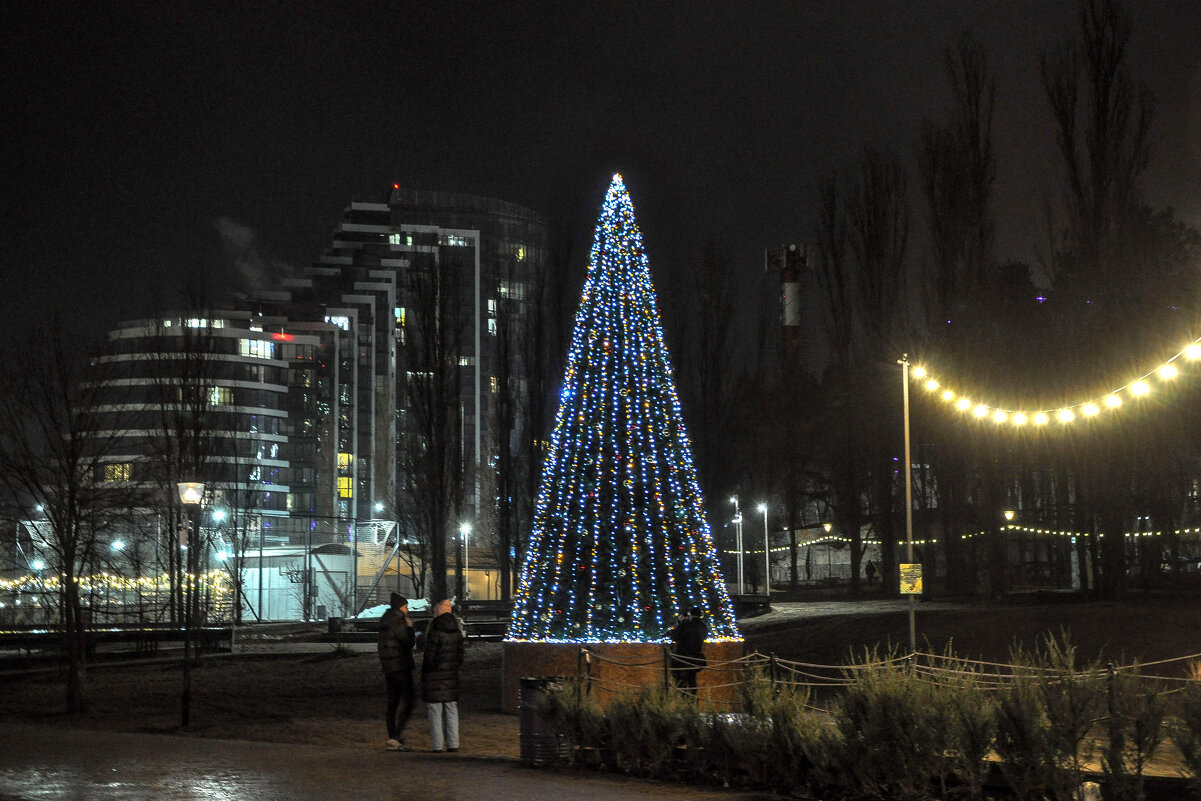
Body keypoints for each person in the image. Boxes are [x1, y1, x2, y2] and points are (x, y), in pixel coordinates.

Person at [422, 598, 465, 752]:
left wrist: (427, 671)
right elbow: (460, 654)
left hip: (434, 676)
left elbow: (429, 656)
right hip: (451, 675)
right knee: (451, 708)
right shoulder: (456, 628)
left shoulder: (435, 629)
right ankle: (453, 743)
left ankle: (437, 745)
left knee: (435, 710)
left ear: (438, 611)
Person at [378, 592, 416, 751]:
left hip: (389, 668)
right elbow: (408, 642)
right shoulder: (399, 621)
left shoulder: (385, 619)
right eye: (406, 607)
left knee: (392, 703)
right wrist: (411, 628)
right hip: (401, 666)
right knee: (410, 701)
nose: (407, 610)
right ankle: (396, 736)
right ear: (400, 607)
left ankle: (392, 736)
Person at [669, 606, 707, 693]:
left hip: (682, 658)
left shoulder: (686, 625)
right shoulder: (703, 626)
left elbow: (675, 637)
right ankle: (693, 701)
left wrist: (679, 623)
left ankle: (685, 701)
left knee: (681, 682)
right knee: (692, 681)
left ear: (690, 615)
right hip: (695, 658)